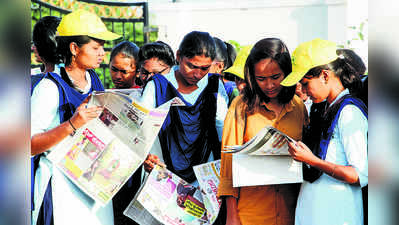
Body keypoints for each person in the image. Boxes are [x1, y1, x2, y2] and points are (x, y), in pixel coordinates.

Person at [31, 9, 121, 225]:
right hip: (60, 189)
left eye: (103, 47)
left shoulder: (95, 80)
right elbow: (29, 145)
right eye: (95, 47)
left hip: (94, 187)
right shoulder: (49, 87)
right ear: (74, 48)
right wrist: (73, 124)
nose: (102, 53)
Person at [218, 38, 308, 225]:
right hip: (251, 213)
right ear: (252, 77)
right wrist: (231, 216)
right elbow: (228, 164)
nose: (269, 85)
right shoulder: (240, 106)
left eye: (276, 77)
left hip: (292, 212)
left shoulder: (298, 107)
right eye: (261, 79)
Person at [281, 38, 368, 225]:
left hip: (338, 215)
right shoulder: (322, 109)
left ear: (325, 76)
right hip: (314, 213)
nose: (302, 90)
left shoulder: (349, 112)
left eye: (305, 83)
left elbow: (359, 175)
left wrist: (312, 160)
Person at [140, 31, 229, 183]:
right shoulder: (157, 85)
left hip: (204, 176)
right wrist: (146, 158)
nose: (197, 74)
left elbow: (223, 129)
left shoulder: (214, 85)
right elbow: (141, 128)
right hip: (162, 171)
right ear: (178, 56)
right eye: (192, 66)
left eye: (204, 68)